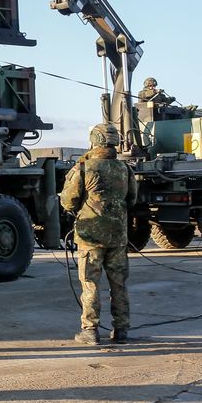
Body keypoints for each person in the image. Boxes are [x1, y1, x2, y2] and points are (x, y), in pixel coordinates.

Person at [59, 123, 137, 345]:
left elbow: (68, 200)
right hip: (118, 236)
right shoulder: (125, 169)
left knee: (90, 284)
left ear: (94, 141)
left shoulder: (84, 168)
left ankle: (90, 331)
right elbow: (131, 200)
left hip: (90, 237)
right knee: (119, 283)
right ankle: (121, 330)